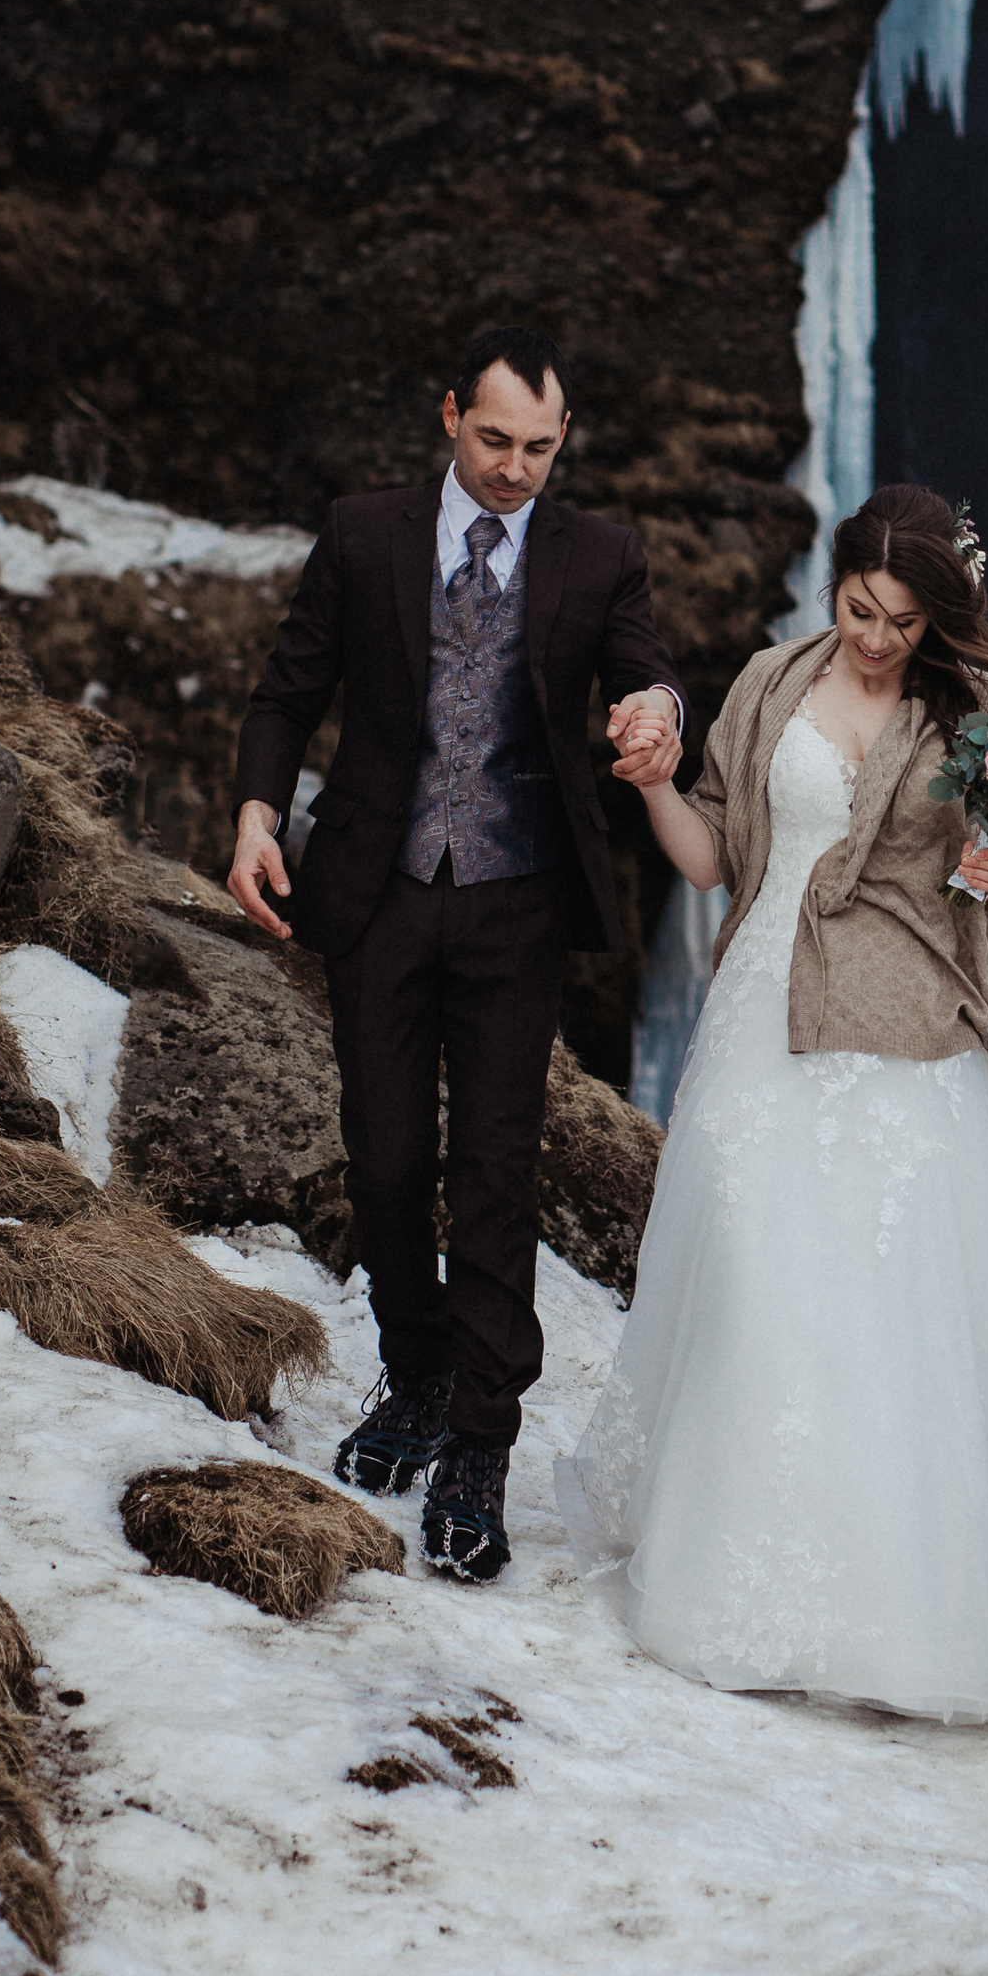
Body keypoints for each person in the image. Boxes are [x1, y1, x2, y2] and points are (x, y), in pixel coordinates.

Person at [563, 483, 988, 1719]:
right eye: (861, 610)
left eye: (901, 622)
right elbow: (715, 861)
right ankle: (745, 1571)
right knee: (764, 1280)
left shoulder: (975, 714)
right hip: (768, 1010)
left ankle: (915, 1599)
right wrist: (653, 786)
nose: (876, 639)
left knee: (900, 1301)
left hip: (913, 1010)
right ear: (834, 589)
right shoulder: (766, 686)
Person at [229, 325, 687, 1583]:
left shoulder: (600, 554)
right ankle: (418, 1373)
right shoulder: (366, 531)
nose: (514, 468)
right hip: (374, 890)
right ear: (447, 417)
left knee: (494, 1171)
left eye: (540, 448)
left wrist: (654, 714)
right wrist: (258, 814)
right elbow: (285, 693)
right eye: (495, 440)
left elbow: (649, 674)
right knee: (383, 1162)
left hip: (515, 901)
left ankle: (481, 1440)